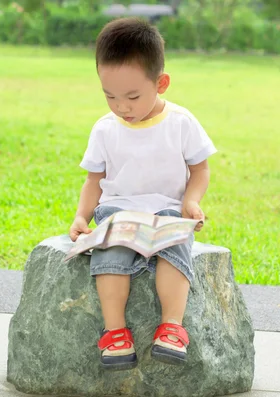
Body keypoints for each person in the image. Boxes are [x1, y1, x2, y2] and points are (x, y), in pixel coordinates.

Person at [68, 17, 217, 371]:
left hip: (167, 213)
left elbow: (200, 170)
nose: (122, 107)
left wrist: (191, 201)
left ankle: (172, 327)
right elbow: (94, 179)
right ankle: (115, 333)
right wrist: (81, 216)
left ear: (161, 83)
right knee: (111, 259)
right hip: (117, 213)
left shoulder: (181, 122)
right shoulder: (104, 129)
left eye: (133, 96)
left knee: (174, 255)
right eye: (110, 96)